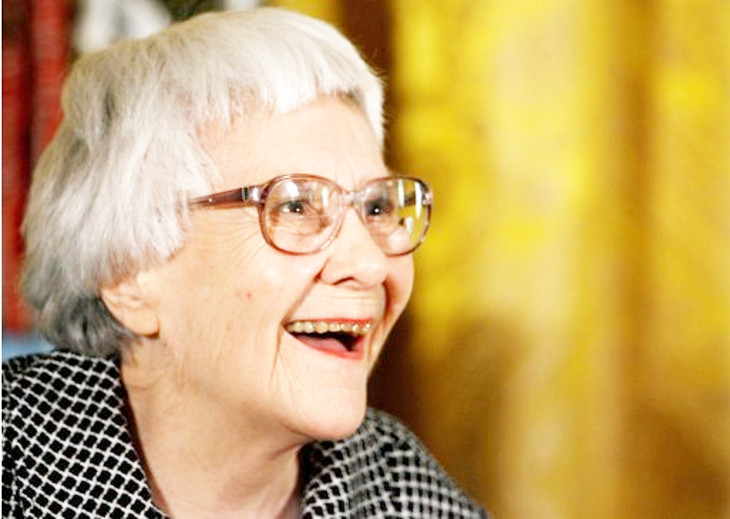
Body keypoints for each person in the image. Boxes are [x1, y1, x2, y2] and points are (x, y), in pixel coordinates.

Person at [2, 7, 487, 518]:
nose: (369, 265)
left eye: (375, 207)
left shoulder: (401, 488)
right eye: (295, 205)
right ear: (128, 274)